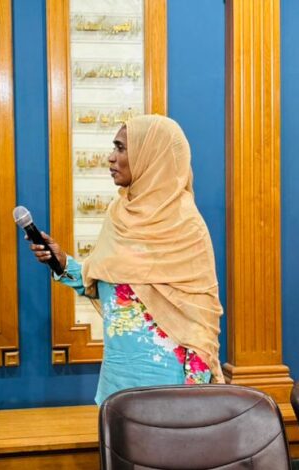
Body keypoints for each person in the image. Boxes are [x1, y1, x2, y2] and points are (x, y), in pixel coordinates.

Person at [30, 115, 224, 404]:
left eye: (121, 148)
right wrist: (62, 262)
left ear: (151, 156)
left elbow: (201, 321)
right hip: (118, 380)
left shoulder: (186, 226)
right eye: (114, 147)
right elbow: (105, 283)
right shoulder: (118, 215)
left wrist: (195, 396)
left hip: (171, 387)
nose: (111, 157)